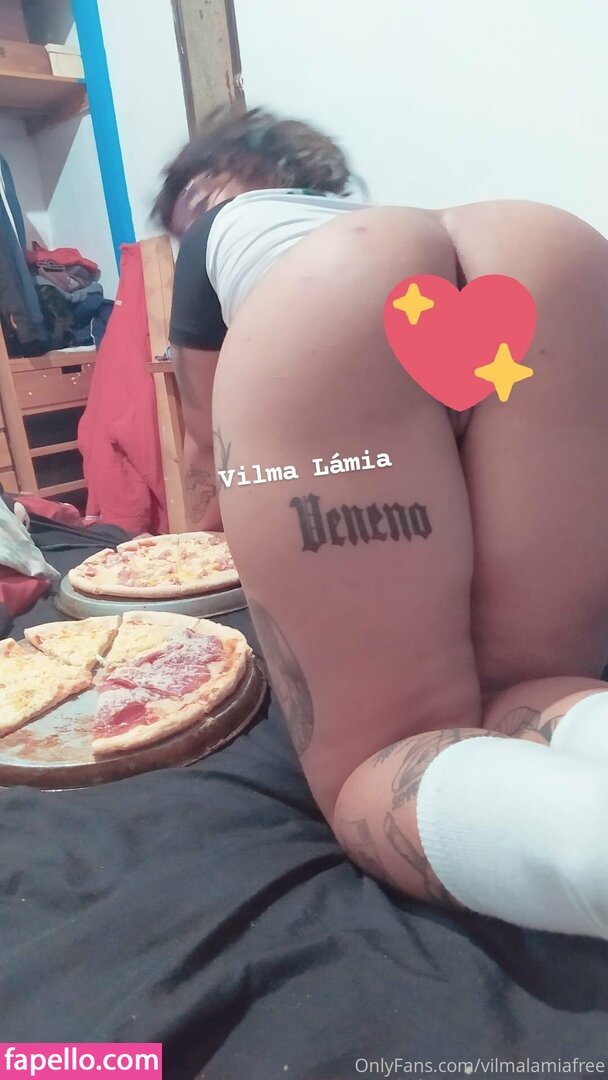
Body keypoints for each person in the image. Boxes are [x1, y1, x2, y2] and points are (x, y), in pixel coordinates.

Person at [155, 103, 608, 939]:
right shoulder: (368, 215)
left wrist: (222, 534)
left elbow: (201, 439)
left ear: (208, 186)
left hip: (334, 300)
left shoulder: (220, 230)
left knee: (388, 754)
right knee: (539, 687)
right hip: (549, 258)